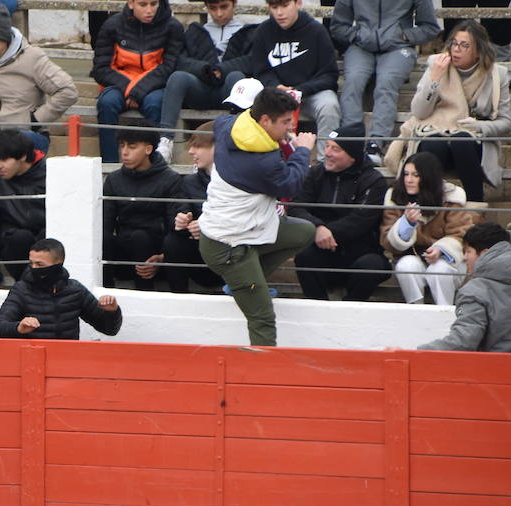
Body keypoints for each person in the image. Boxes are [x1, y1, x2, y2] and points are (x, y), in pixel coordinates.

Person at [198, 86, 317, 346]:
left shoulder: (231, 124)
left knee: (305, 231)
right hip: (228, 246)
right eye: (286, 122)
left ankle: (250, 280)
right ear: (264, 120)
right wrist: (303, 152)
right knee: (262, 318)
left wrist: (275, 94)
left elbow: (220, 122)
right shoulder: (261, 163)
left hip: (247, 230)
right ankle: (262, 377)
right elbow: (291, 185)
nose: (290, 127)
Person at [330, 0, 439, 158]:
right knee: (353, 83)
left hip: (397, 48)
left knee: (387, 83)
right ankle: (351, 141)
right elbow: (338, 25)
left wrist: (402, 35)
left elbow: (429, 27)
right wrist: (358, 35)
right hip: (362, 45)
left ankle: (376, 144)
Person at [0, 3, 76, 192]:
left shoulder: (32, 57)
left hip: (26, 135)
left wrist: (35, 120)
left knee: (21, 140)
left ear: (5, 38)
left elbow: (67, 90)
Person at [386, 20, 511, 200]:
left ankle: (474, 205)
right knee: (434, 142)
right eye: (454, 43)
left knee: (462, 140)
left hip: (473, 141)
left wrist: (480, 126)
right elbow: (419, 112)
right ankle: (426, 206)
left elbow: (505, 121)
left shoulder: (496, 74)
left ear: (478, 51)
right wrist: (434, 78)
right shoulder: (436, 65)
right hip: (436, 131)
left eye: (464, 45)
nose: (456, 49)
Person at [223, 0, 340, 140]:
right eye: (274, 7)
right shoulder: (263, 31)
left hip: (310, 94)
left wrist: (300, 90)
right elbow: (260, 70)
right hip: (274, 96)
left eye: (285, 6)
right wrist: (277, 87)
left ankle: (325, 162)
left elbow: (329, 75)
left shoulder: (317, 31)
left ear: (298, 3)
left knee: (329, 106)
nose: (279, 12)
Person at [290, 126, 391, 301]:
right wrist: (317, 227)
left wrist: (328, 232)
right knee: (305, 257)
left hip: (360, 253)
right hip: (321, 251)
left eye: (335, 149)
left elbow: (361, 219)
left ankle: (350, 310)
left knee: (372, 266)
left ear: (353, 156)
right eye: (327, 146)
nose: (327, 153)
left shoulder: (374, 181)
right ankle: (317, 308)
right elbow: (296, 207)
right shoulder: (315, 174)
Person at [90, 0, 184, 160]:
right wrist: (130, 88)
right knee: (106, 103)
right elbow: (100, 69)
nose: (149, 10)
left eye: (154, 4)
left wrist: (138, 89)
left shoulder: (172, 27)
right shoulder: (112, 25)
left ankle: (153, 164)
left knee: (155, 104)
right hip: (119, 85)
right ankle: (108, 165)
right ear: (130, 2)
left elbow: (169, 68)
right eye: (143, 4)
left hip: (154, 87)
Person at [160, 0, 249, 157]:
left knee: (237, 77)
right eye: (213, 8)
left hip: (229, 90)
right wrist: (204, 70)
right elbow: (181, 61)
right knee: (178, 77)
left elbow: (253, 61)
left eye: (224, 7)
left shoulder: (248, 32)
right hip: (201, 89)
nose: (219, 13)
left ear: (235, 3)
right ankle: (165, 140)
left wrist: (223, 70)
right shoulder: (195, 32)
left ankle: (240, 139)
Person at [380, 151, 481, 305]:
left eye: (416, 175)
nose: (409, 180)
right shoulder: (395, 197)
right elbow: (387, 241)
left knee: (439, 269)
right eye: (406, 174)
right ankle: (417, 311)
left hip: (448, 260)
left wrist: (441, 249)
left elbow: (461, 234)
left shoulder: (451, 197)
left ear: (428, 177)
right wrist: (406, 224)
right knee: (406, 265)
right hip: (412, 256)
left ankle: (444, 313)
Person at [102, 122, 185, 290]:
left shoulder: (170, 179)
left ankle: (146, 291)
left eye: (132, 147)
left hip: (157, 254)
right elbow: (106, 222)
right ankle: (103, 292)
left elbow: (173, 227)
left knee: (141, 237)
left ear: (148, 149)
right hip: (124, 252)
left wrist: (162, 257)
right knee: (103, 236)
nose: (124, 152)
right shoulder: (114, 179)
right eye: (122, 146)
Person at [0, 238, 122, 340]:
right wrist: (18, 328)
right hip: (31, 359)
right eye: (31, 263)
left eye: (40, 264)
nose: (34, 268)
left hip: (67, 359)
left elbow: (109, 329)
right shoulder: (21, 289)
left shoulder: (75, 290)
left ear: (59, 263)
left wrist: (112, 312)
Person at [419, 221, 511, 352]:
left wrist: (416, 353)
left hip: (497, 368)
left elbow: (464, 340)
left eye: (468, 251)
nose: (465, 257)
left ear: (484, 253)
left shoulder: (475, 291)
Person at [0, 129, 47, 285]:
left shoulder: (51, 174)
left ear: (22, 156)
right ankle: (26, 285)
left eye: (3, 160)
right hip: (13, 242)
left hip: (45, 242)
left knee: (46, 236)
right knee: (19, 238)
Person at [162, 124, 222, 293]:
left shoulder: (238, 180)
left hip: (231, 254)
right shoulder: (189, 182)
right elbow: (180, 210)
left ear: (217, 147)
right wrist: (182, 221)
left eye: (198, 146)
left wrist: (206, 226)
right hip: (201, 258)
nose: (190, 151)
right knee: (172, 241)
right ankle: (178, 297)